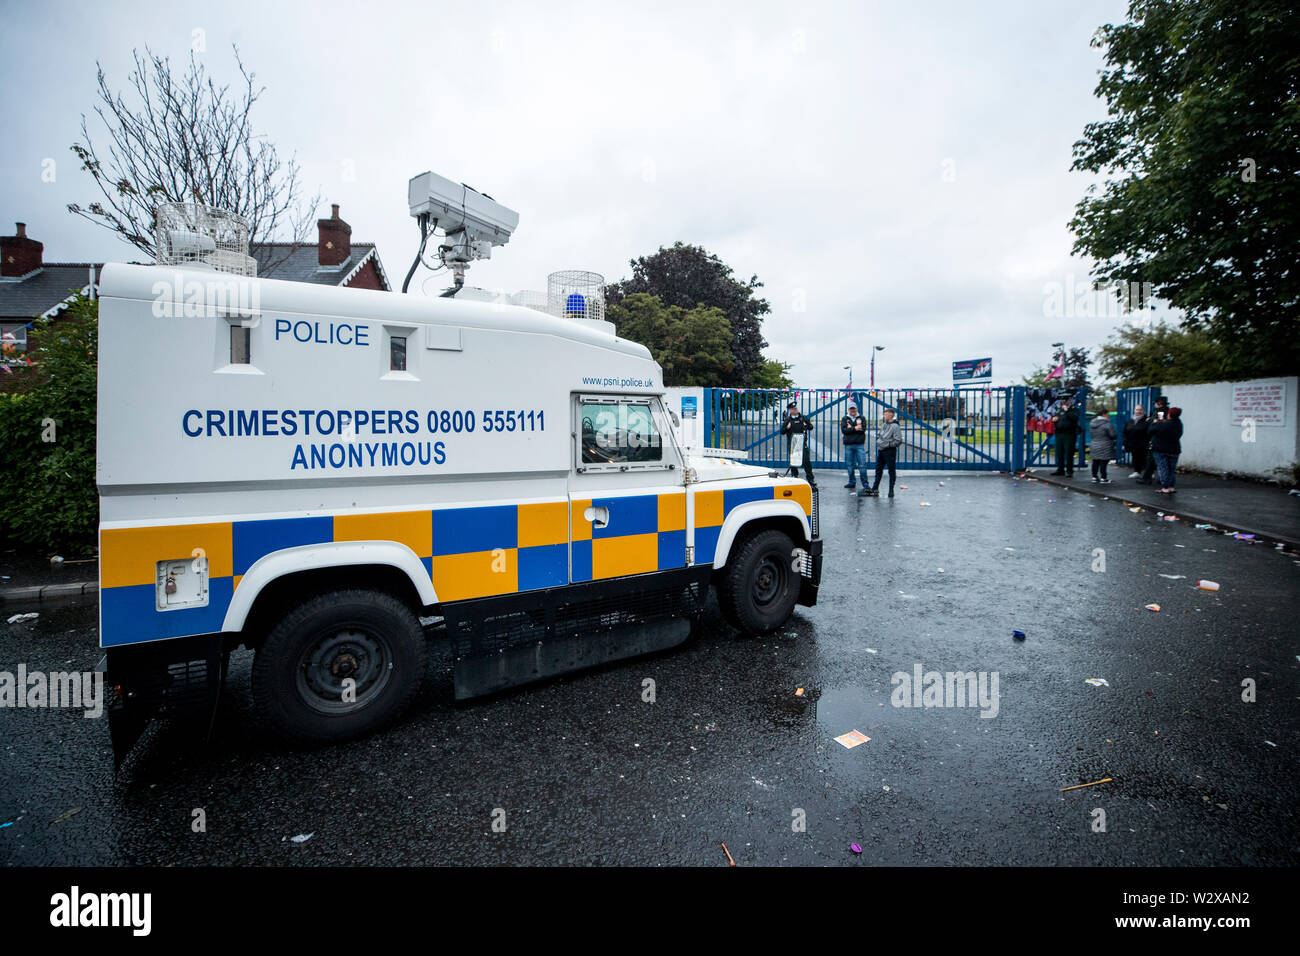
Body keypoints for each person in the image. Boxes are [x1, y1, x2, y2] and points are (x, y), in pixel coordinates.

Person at [863, 407, 902, 497]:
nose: (884, 415)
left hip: (889, 451)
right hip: (881, 450)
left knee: (891, 470)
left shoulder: (895, 426)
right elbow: (880, 435)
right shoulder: (884, 424)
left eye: (885, 414)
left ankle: (891, 490)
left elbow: (898, 440)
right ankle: (875, 488)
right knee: (878, 470)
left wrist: (888, 444)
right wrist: (880, 442)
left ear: (891, 414)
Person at [1148, 405, 1183, 494]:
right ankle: (1171, 486)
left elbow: (1150, 430)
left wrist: (1155, 422)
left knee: (1163, 468)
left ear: (1169, 414)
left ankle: (1165, 487)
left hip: (1161, 449)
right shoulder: (1179, 424)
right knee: (1171, 469)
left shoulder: (1162, 424)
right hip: (1175, 449)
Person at [780, 401, 815, 485]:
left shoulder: (803, 418)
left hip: (803, 444)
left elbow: (811, 427)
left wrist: (806, 425)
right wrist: (787, 427)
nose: (795, 410)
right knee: (793, 463)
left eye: (796, 408)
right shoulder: (788, 420)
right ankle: (794, 478)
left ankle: (810, 480)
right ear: (790, 411)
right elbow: (782, 431)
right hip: (793, 444)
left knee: (807, 462)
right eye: (793, 409)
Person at [1138, 396, 1169, 484]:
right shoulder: (1166, 411)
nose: (1154, 405)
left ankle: (1147, 478)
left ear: (1158, 403)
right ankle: (1161, 477)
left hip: (1156, 438)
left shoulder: (1160, 412)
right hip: (1162, 439)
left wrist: (1150, 422)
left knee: (1151, 459)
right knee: (1162, 460)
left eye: (1155, 403)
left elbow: (1159, 424)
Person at [1050, 394, 1080, 477]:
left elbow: (1075, 418)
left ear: (1068, 401)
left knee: (1069, 453)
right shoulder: (1058, 410)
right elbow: (1057, 419)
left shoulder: (1074, 409)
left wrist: (1067, 411)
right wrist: (1054, 420)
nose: (1062, 402)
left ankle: (1069, 470)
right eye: (1061, 401)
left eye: (1064, 401)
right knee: (1060, 452)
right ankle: (1060, 469)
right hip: (1059, 433)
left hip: (1069, 434)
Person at [840, 402, 868, 490]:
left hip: (859, 445)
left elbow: (862, 429)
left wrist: (850, 428)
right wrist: (855, 428)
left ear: (856, 409)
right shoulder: (845, 418)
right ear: (848, 409)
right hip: (848, 445)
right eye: (851, 409)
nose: (853, 410)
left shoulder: (862, 418)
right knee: (849, 465)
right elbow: (844, 430)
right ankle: (852, 482)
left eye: (854, 408)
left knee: (862, 465)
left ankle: (865, 483)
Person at [1088, 407, 1117, 484]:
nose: (1109, 416)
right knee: (1103, 462)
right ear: (1104, 414)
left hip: (1094, 444)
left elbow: (1091, 434)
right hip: (1105, 445)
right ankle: (1103, 478)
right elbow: (1112, 435)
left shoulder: (1092, 422)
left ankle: (1094, 477)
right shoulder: (1107, 423)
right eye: (1108, 414)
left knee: (1095, 462)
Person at [1123, 405, 1148, 478]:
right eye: (1137, 409)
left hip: (1143, 444)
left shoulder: (1146, 420)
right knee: (1135, 458)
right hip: (1133, 444)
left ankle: (1148, 473)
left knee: (1145, 458)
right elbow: (1125, 431)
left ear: (1143, 411)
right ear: (1134, 410)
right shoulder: (1130, 421)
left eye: (1140, 410)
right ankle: (1137, 471)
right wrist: (1126, 442)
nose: (1138, 411)